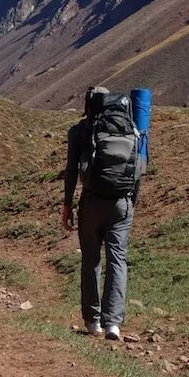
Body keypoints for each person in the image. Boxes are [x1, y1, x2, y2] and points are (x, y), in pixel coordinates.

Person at [62, 86, 141, 341]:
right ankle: (114, 323)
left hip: (92, 202)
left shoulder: (80, 131)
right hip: (122, 203)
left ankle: (92, 321)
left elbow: (72, 169)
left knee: (91, 260)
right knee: (117, 261)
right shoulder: (129, 128)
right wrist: (132, 201)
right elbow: (138, 168)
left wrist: (67, 205)